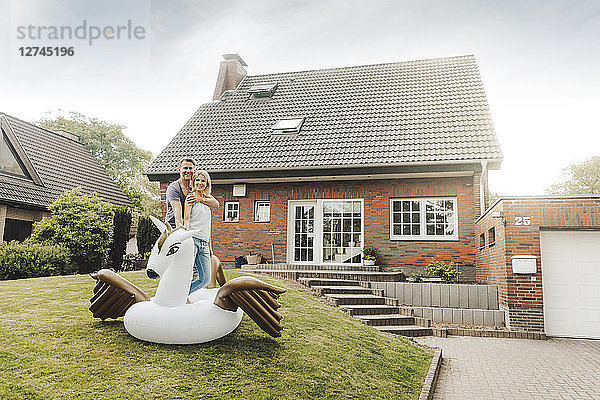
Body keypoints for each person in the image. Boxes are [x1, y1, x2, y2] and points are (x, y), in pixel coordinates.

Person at [183, 169, 219, 292]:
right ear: (193, 182)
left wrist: (210, 246)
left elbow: (217, 205)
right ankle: (183, 297)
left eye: (203, 181)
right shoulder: (190, 197)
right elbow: (186, 220)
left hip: (204, 242)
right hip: (192, 240)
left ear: (207, 184)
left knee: (206, 279)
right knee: (189, 273)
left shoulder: (207, 199)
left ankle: (181, 294)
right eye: (197, 180)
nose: (200, 183)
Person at [165, 158, 196, 229]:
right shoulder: (174, 188)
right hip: (173, 227)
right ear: (179, 170)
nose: (188, 171)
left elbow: (215, 204)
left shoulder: (194, 188)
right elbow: (177, 210)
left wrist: (200, 199)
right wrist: (181, 231)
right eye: (185, 168)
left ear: (194, 170)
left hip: (188, 227)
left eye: (190, 168)